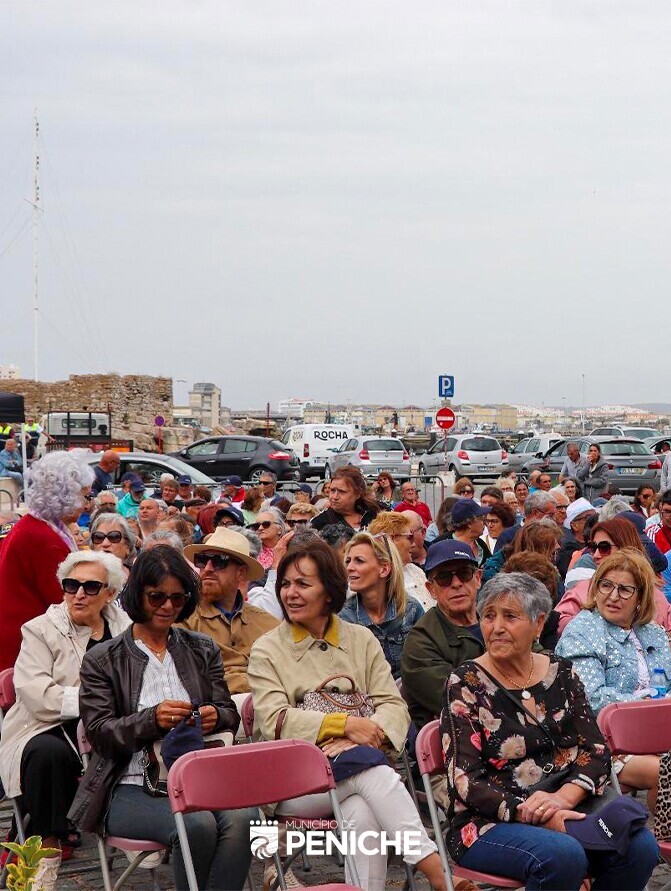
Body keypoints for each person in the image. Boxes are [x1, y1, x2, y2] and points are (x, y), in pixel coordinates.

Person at [247, 536, 447, 891]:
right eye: (286, 584)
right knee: (372, 770)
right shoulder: (267, 649)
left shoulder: (361, 640)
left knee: (363, 809)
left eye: (303, 584)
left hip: (356, 773)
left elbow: (393, 706)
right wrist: (346, 725)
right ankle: (437, 871)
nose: (291, 593)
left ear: (329, 591)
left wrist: (362, 736)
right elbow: (275, 720)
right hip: (292, 784)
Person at [442, 572, 659, 890]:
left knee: (640, 847)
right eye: (488, 616)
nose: (497, 627)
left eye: (510, 616)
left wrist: (562, 799)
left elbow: (596, 751)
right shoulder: (465, 683)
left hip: (569, 803)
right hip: (491, 819)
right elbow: (464, 780)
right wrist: (533, 813)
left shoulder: (561, 673)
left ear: (539, 622)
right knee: (562, 855)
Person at [68, 546, 252, 891]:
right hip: (128, 783)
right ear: (138, 594)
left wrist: (214, 716)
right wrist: (152, 720)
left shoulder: (202, 648)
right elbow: (99, 733)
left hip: (202, 777)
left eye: (178, 598)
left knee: (246, 818)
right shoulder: (103, 659)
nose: (167, 606)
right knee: (196, 825)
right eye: (156, 597)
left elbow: (228, 711)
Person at [0, 550, 129, 890]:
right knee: (47, 754)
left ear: (110, 593)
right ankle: (47, 848)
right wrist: (95, 703)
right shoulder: (41, 629)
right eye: (71, 585)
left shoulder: (126, 628)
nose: (79, 594)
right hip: (46, 726)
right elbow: (37, 694)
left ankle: (139, 825)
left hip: (111, 727)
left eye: (90, 586)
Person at [557, 549, 671, 809]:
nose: (612, 596)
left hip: (658, 735)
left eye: (625, 590)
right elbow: (593, 699)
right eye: (606, 585)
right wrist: (651, 705)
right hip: (601, 744)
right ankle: (659, 836)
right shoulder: (583, 631)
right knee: (666, 770)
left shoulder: (653, 632)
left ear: (641, 597)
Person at [0, 451, 94, 671]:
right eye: (85, 497)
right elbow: (65, 599)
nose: (86, 505)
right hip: (25, 646)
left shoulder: (33, 525)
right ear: (66, 496)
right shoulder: (43, 538)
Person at [179, 527, 279, 711]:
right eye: (202, 561)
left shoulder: (268, 624)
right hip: (211, 710)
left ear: (241, 573)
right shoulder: (182, 618)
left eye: (219, 561)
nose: (208, 568)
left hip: (268, 707)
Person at [401, 540, 484, 733]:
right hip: (461, 734)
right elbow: (458, 699)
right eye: (444, 578)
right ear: (431, 589)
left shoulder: (499, 619)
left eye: (464, 573)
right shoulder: (421, 641)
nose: (456, 583)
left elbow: (536, 657)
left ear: (478, 578)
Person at [556, 517, 671, 632]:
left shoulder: (655, 595)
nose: (596, 555)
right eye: (593, 547)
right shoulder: (582, 589)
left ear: (625, 547)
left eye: (604, 548)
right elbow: (559, 622)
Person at [340, 531, 424, 678]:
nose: (350, 568)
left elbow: (426, 663)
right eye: (348, 561)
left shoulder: (411, 609)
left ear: (384, 569)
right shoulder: (343, 618)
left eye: (359, 561)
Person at [369, 511, 431, 609]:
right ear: (391, 539)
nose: (413, 543)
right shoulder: (372, 579)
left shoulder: (416, 571)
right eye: (410, 537)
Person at [311, 466, 380, 532]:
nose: (334, 497)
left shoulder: (375, 514)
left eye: (342, 491)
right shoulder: (319, 524)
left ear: (358, 494)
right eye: (332, 490)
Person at [436, 498, 491, 567]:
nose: (485, 523)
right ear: (469, 523)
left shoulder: (481, 545)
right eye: (482, 519)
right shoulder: (441, 545)